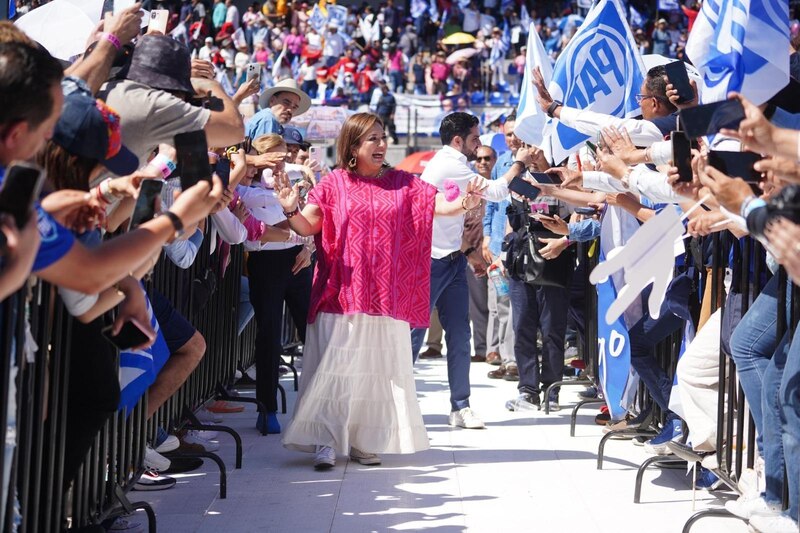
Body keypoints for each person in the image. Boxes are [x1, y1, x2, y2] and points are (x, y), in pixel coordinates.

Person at [278, 113, 480, 470]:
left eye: (383, 137)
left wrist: (465, 203)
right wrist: (289, 207)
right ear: (353, 146)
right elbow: (308, 224)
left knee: (373, 372)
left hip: (385, 297)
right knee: (335, 369)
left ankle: (362, 440)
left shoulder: (403, 182)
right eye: (373, 138)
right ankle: (326, 440)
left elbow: (438, 207)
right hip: (341, 293)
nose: (382, 144)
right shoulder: (333, 184)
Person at [410, 112, 534, 430]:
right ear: (458, 140)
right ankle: (397, 404)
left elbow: (450, 219)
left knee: (461, 336)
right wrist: (518, 162)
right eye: (475, 139)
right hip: (429, 261)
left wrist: (469, 254)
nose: (479, 144)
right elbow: (495, 191)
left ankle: (460, 406)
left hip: (451, 260)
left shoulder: (454, 164)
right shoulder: (450, 163)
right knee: (414, 336)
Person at [239, 133, 313, 434]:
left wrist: (307, 246)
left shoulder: (293, 184)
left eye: (286, 157)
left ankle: (320, 405)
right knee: (269, 336)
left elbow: (310, 224)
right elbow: (273, 223)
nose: (284, 162)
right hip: (266, 265)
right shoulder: (245, 190)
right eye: (277, 158)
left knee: (314, 331)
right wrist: (294, 209)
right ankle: (267, 409)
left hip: (298, 262)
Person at [246, 78, 311, 139]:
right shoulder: (268, 119)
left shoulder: (271, 120)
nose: (290, 110)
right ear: (272, 100)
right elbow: (266, 149)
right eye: (286, 103)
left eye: (294, 107)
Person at [374, 80, 398, 145]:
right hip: (381, 115)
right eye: (382, 90)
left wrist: (392, 114)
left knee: (391, 129)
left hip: (389, 115)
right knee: (381, 130)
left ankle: (395, 141)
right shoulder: (381, 97)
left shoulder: (391, 97)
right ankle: (381, 142)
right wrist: (376, 114)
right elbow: (378, 106)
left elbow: (394, 106)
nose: (384, 91)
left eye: (385, 89)